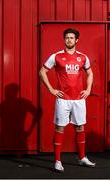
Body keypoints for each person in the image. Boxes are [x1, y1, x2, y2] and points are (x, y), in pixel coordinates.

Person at [39, 28, 96, 172]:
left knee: (80, 127)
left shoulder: (83, 57)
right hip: (63, 99)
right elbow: (42, 72)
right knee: (60, 128)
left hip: (78, 100)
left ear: (77, 40)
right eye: (67, 37)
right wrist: (51, 89)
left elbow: (90, 73)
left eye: (71, 38)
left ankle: (82, 157)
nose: (69, 40)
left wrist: (88, 89)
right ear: (64, 39)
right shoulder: (56, 56)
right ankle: (57, 161)